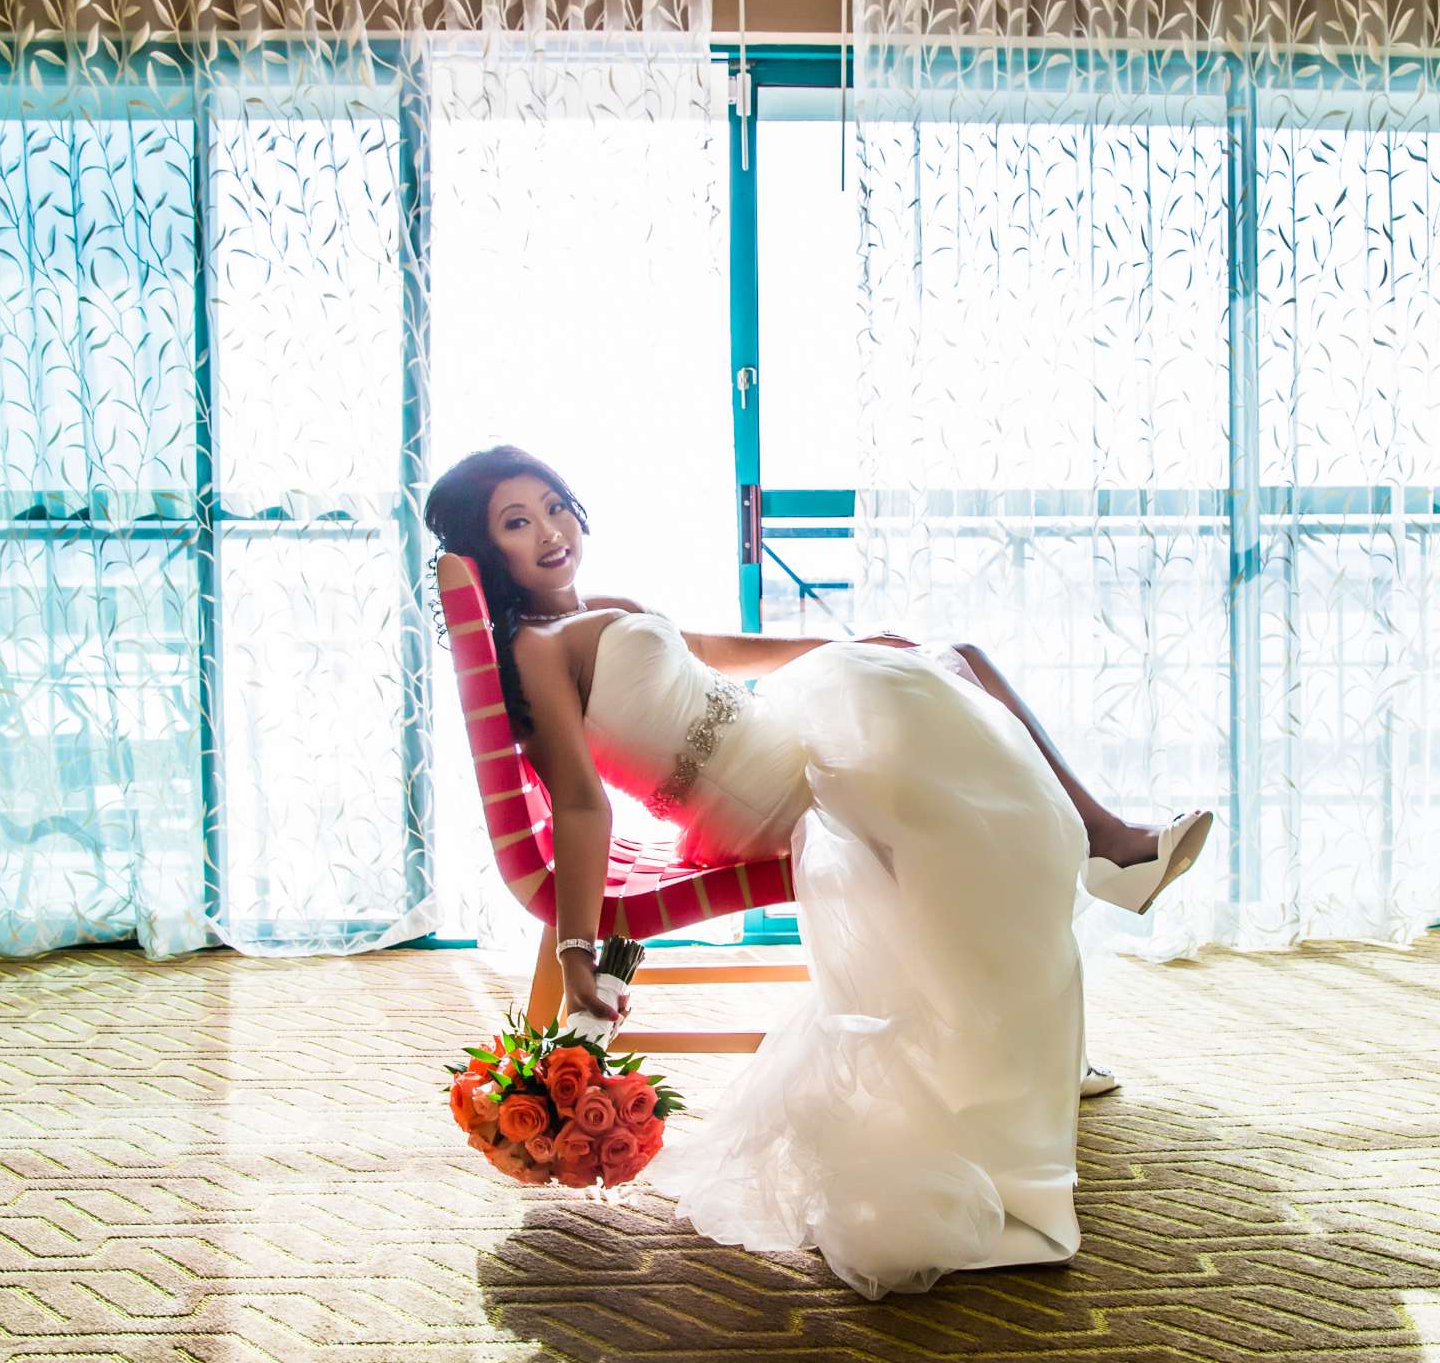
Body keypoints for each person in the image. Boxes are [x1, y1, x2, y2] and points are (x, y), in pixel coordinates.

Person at [423, 444, 1214, 1298]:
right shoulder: (537, 648)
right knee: (959, 723)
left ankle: (1102, 862)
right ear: (487, 553)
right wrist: (578, 949)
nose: (548, 531)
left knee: (951, 676)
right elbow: (580, 804)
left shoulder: (605, 605)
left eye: (553, 506)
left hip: (779, 744)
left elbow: (710, 650)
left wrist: (843, 643)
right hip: (760, 796)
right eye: (515, 523)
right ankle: (1108, 855)